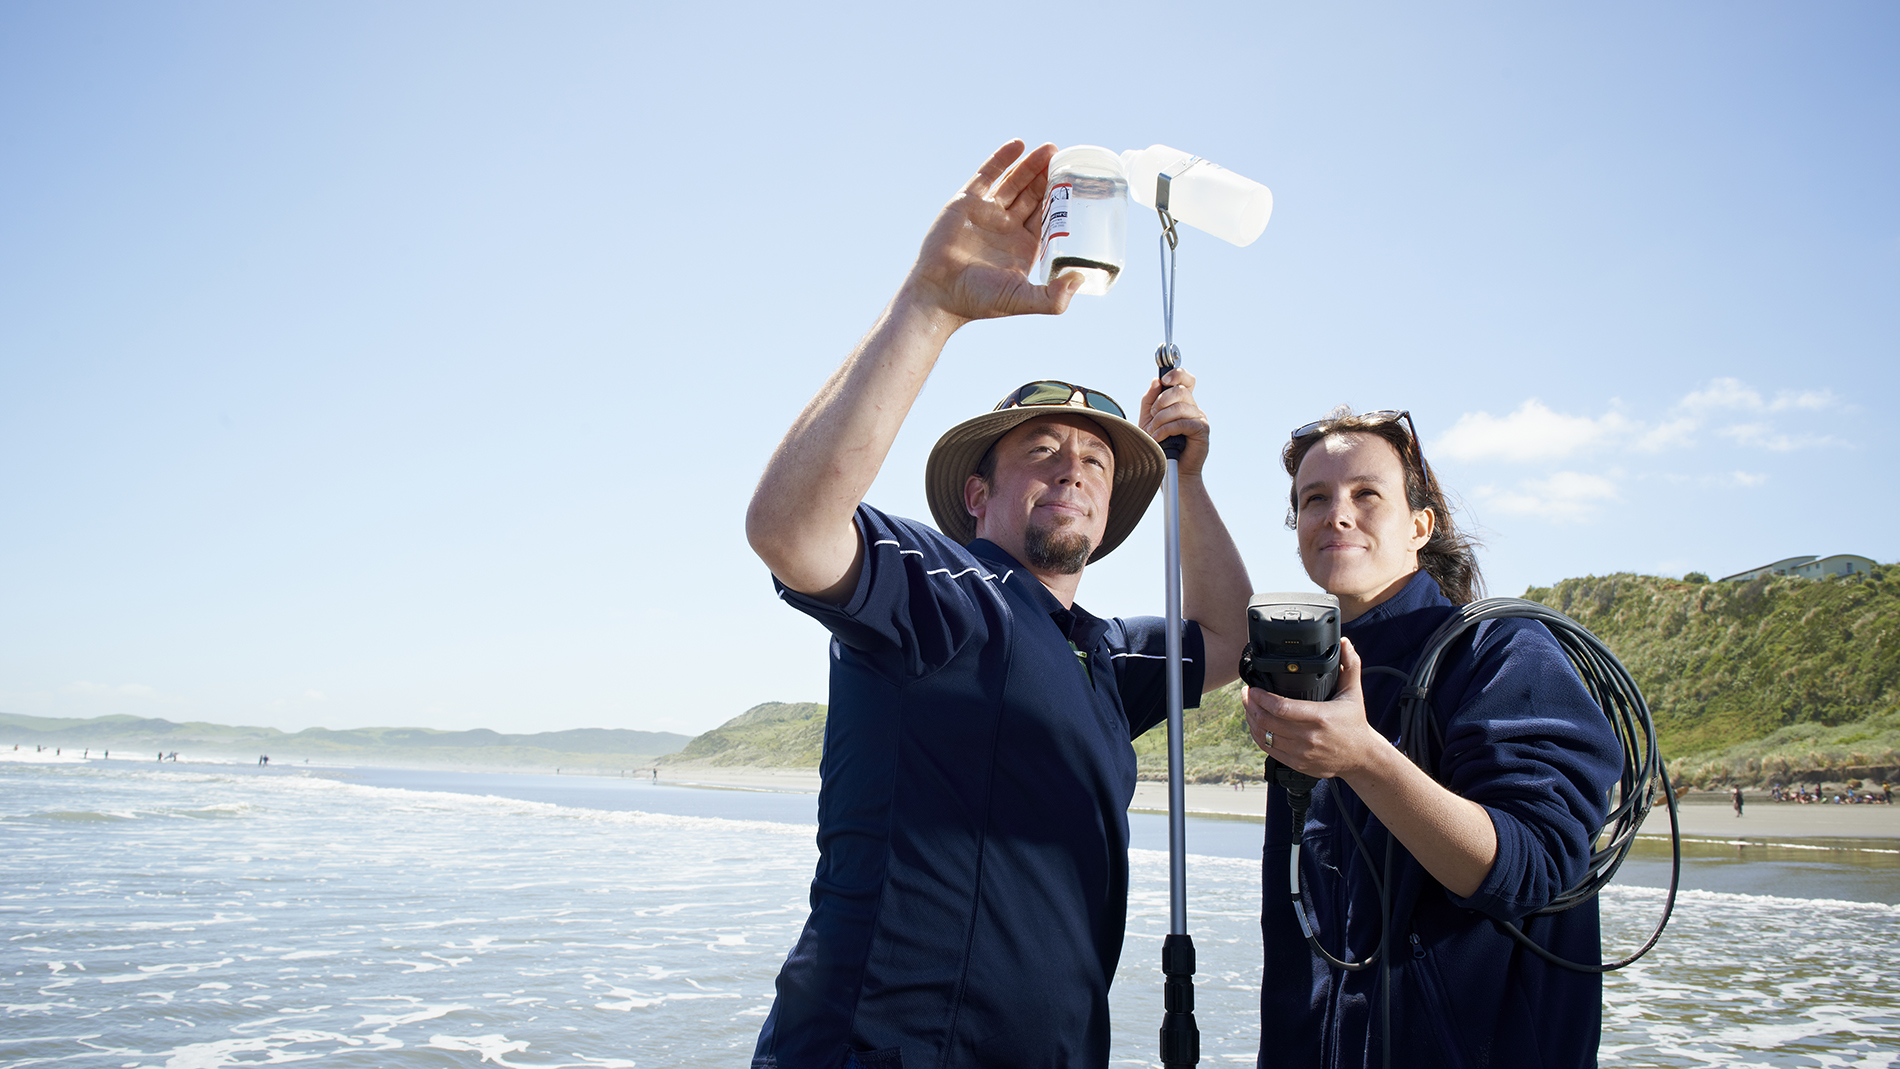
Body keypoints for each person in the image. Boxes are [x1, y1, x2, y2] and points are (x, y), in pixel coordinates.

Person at [744, 140, 1250, 1069]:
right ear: (977, 495)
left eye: (1097, 460)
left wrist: (1187, 478)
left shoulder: (1106, 657)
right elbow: (789, 528)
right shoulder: (940, 591)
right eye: (1041, 450)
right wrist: (929, 307)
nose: (1074, 468)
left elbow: (1228, 638)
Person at [1241, 407, 1623, 1069]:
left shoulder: (1505, 654)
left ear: (1421, 525)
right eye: (1314, 499)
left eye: (1367, 494)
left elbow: (1529, 868)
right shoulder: (1314, 689)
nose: (1337, 513)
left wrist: (1364, 757)